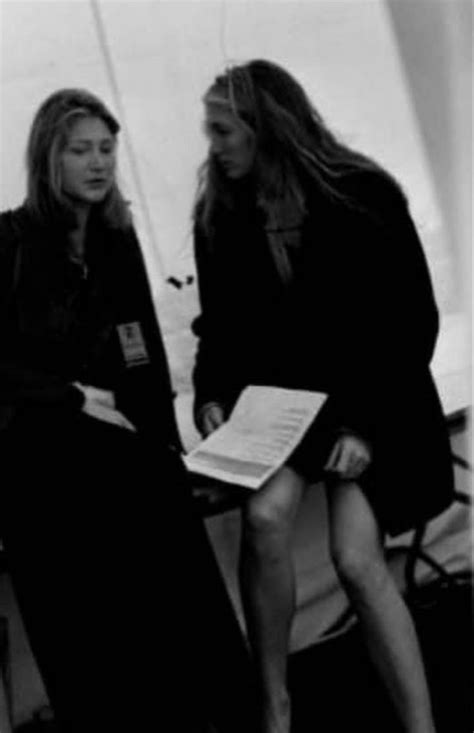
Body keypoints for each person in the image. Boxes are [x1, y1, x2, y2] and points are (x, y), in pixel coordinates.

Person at [191, 60, 455, 733]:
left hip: (376, 402)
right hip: (289, 411)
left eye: (223, 130)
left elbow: (409, 324)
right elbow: (218, 329)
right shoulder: (220, 213)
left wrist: (363, 429)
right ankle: (275, 701)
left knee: (357, 560)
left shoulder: (363, 194)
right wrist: (213, 397)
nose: (212, 143)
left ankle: (420, 725)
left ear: (264, 127)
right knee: (266, 518)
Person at [0, 88, 256, 733]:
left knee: (163, 502)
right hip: (44, 450)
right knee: (94, 622)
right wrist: (74, 396)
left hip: (121, 449)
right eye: (80, 150)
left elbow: (138, 351)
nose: (98, 163)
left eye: (107, 149)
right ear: (48, 159)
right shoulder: (10, 240)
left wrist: (169, 442)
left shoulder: (116, 238)